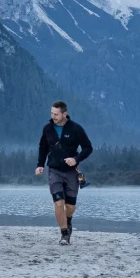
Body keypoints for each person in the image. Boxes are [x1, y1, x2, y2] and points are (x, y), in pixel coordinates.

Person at [35, 101, 93, 245]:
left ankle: (67, 221)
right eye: (51, 113)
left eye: (56, 114)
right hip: (54, 170)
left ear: (64, 114)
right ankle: (64, 234)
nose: (53, 116)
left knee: (71, 206)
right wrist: (40, 165)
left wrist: (76, 159)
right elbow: (43, 148)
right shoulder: (47, 129)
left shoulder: (76, 129)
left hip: (72, 172)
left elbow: (88, 148)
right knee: (59, 203)